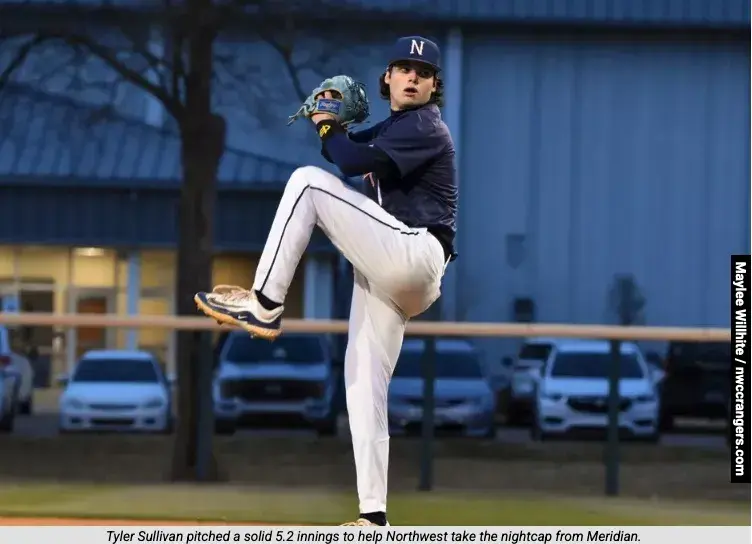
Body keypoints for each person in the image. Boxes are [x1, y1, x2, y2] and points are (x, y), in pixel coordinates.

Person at [195, 35, 458, 527]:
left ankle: (265, 303)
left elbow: (349, 161)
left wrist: (327, 123)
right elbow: (349, 149)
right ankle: (373, 517)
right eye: (404, 68)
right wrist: (331, 127)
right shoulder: (396, 128)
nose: (413, 77)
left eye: (423, 73)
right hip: (393, 271)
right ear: (387, 77)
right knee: (362, 385)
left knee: (306, 183)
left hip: (414, 252)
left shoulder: (425, 125)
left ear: (433, 86)